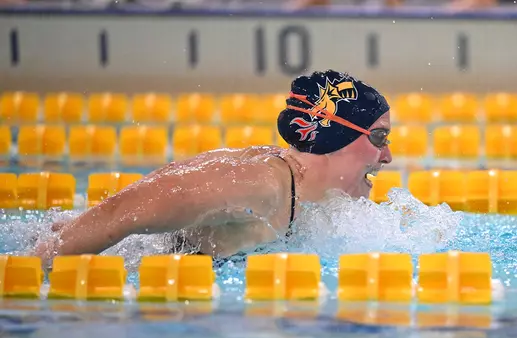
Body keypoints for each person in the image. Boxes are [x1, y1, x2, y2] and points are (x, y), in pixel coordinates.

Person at [34, 70, 393, 264]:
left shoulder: (298, 188)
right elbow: (127, 209)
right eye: (379, 138)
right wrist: (41, 262)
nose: (387, 156)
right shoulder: (257, 186)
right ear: (335, 140)